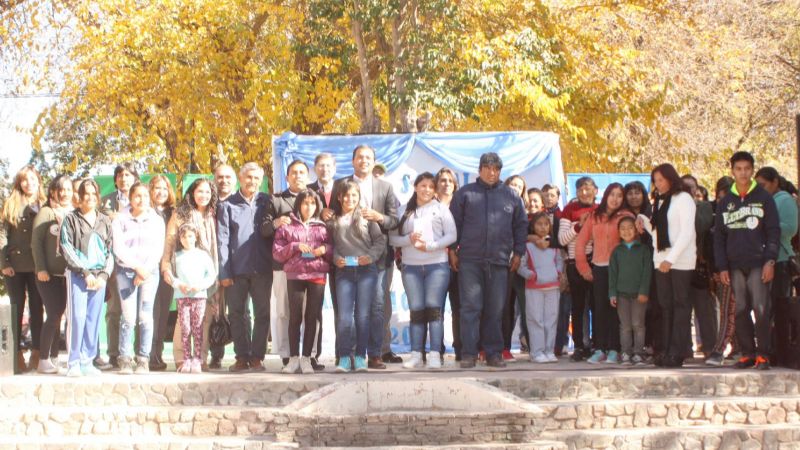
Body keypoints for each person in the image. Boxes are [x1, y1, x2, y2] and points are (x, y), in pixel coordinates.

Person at [449, 152, 528, 369]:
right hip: (470, 261)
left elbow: (521, 226)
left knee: (495, 309)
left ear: (500, 171)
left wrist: (518, 253)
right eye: (488, 168)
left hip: (500, 261)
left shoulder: (512, 196)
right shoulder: (465, 194)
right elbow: (453, 225)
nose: (492, 173)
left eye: (496, 169)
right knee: (470, 308)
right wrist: (452, 251)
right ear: (480, 169)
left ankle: (494, 353)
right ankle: (469, 354)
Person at [325, 145, 399, 370]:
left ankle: (373, 354)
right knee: (345, 313)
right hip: (345, 265)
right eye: (359, 157)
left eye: (368, 157)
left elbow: (394, 220)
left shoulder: (385, 187)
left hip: (376, 261)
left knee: (374, 310)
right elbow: (331, 220)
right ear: (353, 160)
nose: (363, 160)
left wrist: (379, 218)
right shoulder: (341, 184)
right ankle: (344, 356)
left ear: (373, 161)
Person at [714, 152, 780, 370]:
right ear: (732, 170)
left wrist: (770, 261)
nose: (743, 173)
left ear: (752, 170)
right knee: (740, 309)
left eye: (747, 169)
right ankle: (747, 353)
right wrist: (722, 266)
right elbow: (719, 238)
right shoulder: (725, 202)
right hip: (734, 265)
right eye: (738, 169)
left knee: (761, 308)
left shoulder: (764, 198)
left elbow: (773, 231)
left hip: (759, 262)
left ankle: (764, 355)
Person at [390, 173, 457, 369]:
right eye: (423, 185)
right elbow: (392, 239)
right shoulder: (404, 211)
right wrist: (408, 240)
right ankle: (416, 354)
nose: (426, 189)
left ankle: (435, 353)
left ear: (435, 190)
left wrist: (432, 246)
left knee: (434, 309)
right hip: (411, 267)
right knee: (417, 310)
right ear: (415, 187)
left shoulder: (441, 209)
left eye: (430, 186)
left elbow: (452, 235)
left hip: (437, 265)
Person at [637, 164, 697, 368]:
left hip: (680, 260)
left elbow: (686, 233)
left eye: (661, 180)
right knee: (665, 306)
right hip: (660, 259)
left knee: (680, 305)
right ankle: (665, 350)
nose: (658, 184)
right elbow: (658, 232)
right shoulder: (659, 202)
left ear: (671, 178)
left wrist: (670, 259)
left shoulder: (684, 198)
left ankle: (678, 351)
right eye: (655, 181)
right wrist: (644, 221)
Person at [217, 163, 271, 372]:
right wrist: (224, 271)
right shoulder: (228, 205)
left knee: (262, 314)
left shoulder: (267, 202)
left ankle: (257, 357)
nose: (253, 182)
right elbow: (222, 241)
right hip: (236, 269)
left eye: (257, 178)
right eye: (249, 177)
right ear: (240, 178)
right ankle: (241, 356)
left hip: (262, 268)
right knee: (237, 314)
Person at [262, 160, 315, 369]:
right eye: (294, 173)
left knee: (311, 313)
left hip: (311, 269)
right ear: (287, 177)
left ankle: (310, 355)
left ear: (307, 177)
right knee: (284, 311)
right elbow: (264, 229)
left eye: (302, 172)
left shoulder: (315, 199)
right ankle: (286, 355)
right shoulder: (276, 200)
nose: (298, 176)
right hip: (282, 267)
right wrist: (275, 223)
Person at [273, 190, 332, 374]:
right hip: (295, 275)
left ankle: (307, 358)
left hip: (317, 275)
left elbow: (333, 247)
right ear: (298, 204)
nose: (309, 207)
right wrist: (295, 246)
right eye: (305, 203)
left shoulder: (323, 227)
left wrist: (324, 249)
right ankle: (293, 359)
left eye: (312, 203)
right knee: (295, 317)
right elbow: (277, 252)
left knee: (312, 317)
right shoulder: (287, 225)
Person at [163, 178, 219, 371]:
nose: (203, 195)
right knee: (183, 321)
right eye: (199, 191)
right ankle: (182, 358)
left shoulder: (214, 214)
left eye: (207, 192)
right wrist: (165, 266)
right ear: (192, 193)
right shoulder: (181, 214)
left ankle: (200, 358)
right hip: (184, 277)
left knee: (204, 319)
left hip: (207, 272)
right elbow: (170, 240)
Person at [329, 181, 386, 372]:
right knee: (345, 317)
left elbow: (380, 241)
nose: (350, 199)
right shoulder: (333, 220)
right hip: (343, 272)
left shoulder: (366, 217)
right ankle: (345, 357)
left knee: (363, 316)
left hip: (366, 272)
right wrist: (336, 259)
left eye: (354, 195)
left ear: (359, 196)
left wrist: (369, 257)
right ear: (339, 197)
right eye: (346, 195)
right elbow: (331, 247)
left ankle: (361, 356)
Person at [61, 179, 114, 377]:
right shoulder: (71, 219)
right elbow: (66, 247)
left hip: (99, 278)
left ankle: (87, 361)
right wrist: (85, 272)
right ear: (79, 197)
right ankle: (73, 362)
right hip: (78, 276)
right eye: (86, 194)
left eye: (94, 194)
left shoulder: (105, 220)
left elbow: (110, 251)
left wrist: (102, 275)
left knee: (93, 319)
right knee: (77, 317)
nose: (90, 198)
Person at [111, 182, 165, 374]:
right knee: (128, 317)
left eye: (145, 196)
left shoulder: (156, 220)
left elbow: (159, 248)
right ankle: (125, 359)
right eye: (137, 196)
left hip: (149, 274)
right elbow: (118, 247)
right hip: (126, 272)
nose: (141, 200)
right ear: (131, 198)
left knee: (145, 317)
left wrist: (145, 270)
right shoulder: (120, 219)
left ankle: (143, 358)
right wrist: (136, 267)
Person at [576, 183, 633, 364]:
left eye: (619, 196)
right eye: (612, 194)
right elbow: (580, 243)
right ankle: (599, 348)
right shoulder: (594, 216)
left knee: (616, 311)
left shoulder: (627, 217)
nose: (615, 199)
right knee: (599, 309)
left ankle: (614, 349)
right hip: (599, 268)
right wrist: (584, 268)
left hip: (620, 271)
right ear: (606, 195)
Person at [0, 165, 46, 372]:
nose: (29, 183)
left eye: (33, 179)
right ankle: (15, 355)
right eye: (25, 180)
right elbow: (2, 236)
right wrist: (4, 264)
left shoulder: (45, 204)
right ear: (19, 183)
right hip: (15, 267)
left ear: (38, 181)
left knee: (38, 310)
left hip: (38, 267)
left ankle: (37, 353)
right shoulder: (10, 204)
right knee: (15, 310)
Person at [755, 167, 798, 368]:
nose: (760, 189)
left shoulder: (784, 200)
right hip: (763, 260)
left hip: (780, 260)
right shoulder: (762, 200)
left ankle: (782, 352)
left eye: (763, 185)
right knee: (765, 309)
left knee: (780, 308)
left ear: (774, 182)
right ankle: (769, 351)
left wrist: (768, 224)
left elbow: (790, 228)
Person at [99, 162, 140, 370]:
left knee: (139, 313)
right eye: (120, 175)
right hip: (114, 265)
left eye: (128, 174)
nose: (124, 179)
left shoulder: (142, 201)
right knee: (114, 310)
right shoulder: (105, 203)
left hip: (140, 266)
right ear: (115, 179)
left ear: (135, 178)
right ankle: (115, 355)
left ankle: (140, 355)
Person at [31, 175, 73, 373]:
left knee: (59, 316)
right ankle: (43, 358)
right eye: (60, 189)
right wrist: (41, 268)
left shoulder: (72, 214)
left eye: (68, 189)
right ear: (53, 192)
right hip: (47, 276)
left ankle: (55, 357)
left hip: (67, 276)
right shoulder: (46, 213)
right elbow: (36, 243)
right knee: (53, 314)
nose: (64, 193)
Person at [558, 177, 598, 361]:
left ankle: (599, 344)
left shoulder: (601, 210)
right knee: (579, 307)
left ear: (595, 191)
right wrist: (579, 226)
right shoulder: (569, 210)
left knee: (598, 307)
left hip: (597, 263)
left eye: (588, 188)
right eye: (580, 189)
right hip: (575, 264)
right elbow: (562, 239)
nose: (584, 192)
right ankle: (581, 346)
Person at [171, 223, 217, 373]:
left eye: (190, 236)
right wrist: (179, 285)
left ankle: (197, 359)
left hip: (199, 296)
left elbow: (211, 275)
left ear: (195, 236)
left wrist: (200, 286)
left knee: (198, 327)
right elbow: (172, 276)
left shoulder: (203, 255)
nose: (187, 239)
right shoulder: (176, 256)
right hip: (182, 297)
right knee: (185, 327)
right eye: (183, 236)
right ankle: (186, 359)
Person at [518, 212, 564, 363]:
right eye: (539, 224)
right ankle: (537, 352)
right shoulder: (527, 246)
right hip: (534, 288)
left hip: (552, 287)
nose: (543, 227)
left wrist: (557, 272)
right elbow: (521, 266)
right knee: (535, 319)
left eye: (546, 224)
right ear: (532, 226)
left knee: (551, 319)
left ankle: (549, 350)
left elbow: (559, 262)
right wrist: (532, 275)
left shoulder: (554, 246)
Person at [681, 174, 716, 358]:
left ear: (696, 189)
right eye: (684, 187)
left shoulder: (704, 206)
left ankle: (710, 347)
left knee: (704, 309)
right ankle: (685, 348)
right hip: (678, 265)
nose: (688, 190)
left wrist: (689, 207)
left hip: (699, 264)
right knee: (682, 309)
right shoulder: (673, 206)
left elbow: (701, 226)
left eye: (691, 187)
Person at [609, 216, 652, 366]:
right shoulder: (616, 251)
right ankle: (626, 352)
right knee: (625, 325)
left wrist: (644, 291)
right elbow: (612, 274)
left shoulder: (644, 250)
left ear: (636, 229)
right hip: (621, 295)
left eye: (630, 227)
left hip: (638, 295)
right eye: (623, 228)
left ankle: (638, 353)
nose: (627, 231)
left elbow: (647, 272)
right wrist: (612, 293)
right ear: (618, 232)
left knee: (638, 324)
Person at [207, 164, 237, 369]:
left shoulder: (239, 201)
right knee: (214, 310)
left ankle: (242, 354)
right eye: (220, 177)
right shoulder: (207, 202)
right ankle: (216, 353)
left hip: (236, 265)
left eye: (228, 177)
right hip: (210, 263)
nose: (223, 180)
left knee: (239, 310)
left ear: (234, 180)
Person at [307, 154, 336, 366]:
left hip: (341, 255)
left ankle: (344, 353)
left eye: (328, 165)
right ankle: (313, 355)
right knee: (314, 309)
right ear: (315, 168)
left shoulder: (345, 188)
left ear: (334, 168)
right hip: (314, 257)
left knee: (343, 307)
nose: (324, 169)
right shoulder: (307, 190)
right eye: (320, 166)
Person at [706, 176, 736, 366]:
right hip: (719, 272)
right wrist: (713, 271)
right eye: (719, 198)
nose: (722, 202)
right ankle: (735, 346)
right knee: (728, 310)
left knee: (730, 311)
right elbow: (710, 248)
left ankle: (719, 350)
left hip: (736, 270)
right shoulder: (713, 219)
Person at [148, 175, 177, 371]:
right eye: (157, 188)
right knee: (149, 313)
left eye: (164, 189)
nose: (161, 192)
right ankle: (146, 354)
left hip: (167, 269)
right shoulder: (144, 212)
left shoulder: (174, 213)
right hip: (148, 269)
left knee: (163, 313)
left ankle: (157, 354)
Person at [435, 167, 461, 360]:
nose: (446, 184)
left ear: (455, 185)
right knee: (437, 309)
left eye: (449, 181)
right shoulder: (428, 206)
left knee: (460, 307)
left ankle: (461, 348)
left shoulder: (462, 205)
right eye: (442, 180)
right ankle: (437, 349)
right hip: (435, 263)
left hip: (460, 264)